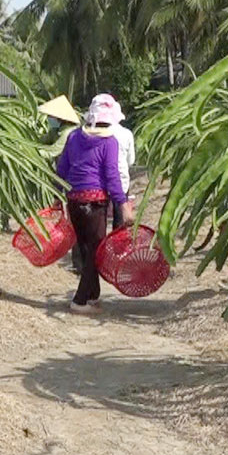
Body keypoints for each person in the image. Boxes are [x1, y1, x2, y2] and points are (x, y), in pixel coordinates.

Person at [55, 96, 135, 313]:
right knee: (96, 252)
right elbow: (112, 177)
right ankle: (79, 301)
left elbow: (62, 169)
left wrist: (56, 196)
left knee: (85, 246)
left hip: (74, 201)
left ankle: (92, 294)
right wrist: (123, 204)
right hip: (94, 203)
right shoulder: (109, 143)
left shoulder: (73, 137)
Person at [90, 94, 136, 230]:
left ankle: (99, 247)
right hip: (121, 182)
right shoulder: (126, 134)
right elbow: (131, 161)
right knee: (119, 221)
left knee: (99, 223)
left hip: (98, 184)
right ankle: (116, 249)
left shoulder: (92, 133)